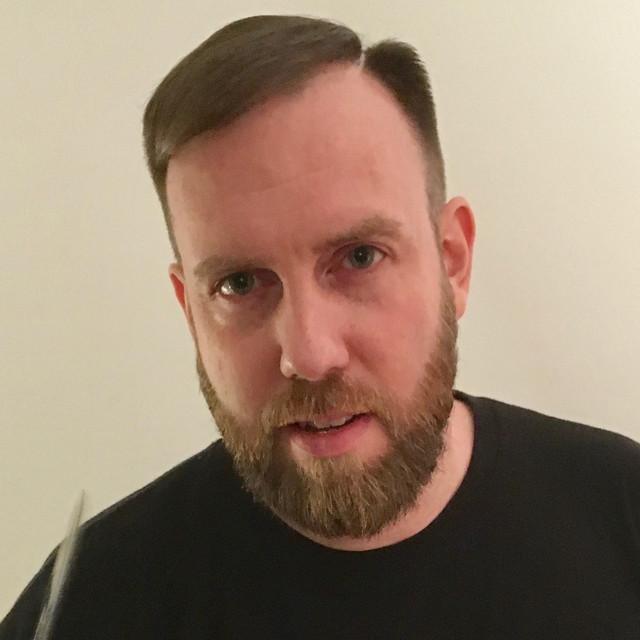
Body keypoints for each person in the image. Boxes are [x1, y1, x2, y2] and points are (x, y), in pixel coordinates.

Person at [2, 14, 639, 640]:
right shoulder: (90, 605)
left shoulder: (624, 514)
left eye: (359, 257)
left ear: (453, 260)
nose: (309, 353)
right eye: (239, 284)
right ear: (191, 312)